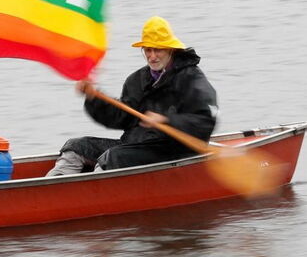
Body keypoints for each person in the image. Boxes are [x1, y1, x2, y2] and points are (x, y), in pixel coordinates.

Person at [46, 16, 218, 176]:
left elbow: (205, 121)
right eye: (148, 50)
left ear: (170, 49)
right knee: (77, 146)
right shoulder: (137, 80)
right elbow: (121, 118)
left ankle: (87, 195)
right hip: (134, 146)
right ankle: (52, 188)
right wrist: (94, 99)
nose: (152, 56)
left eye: (157, 50)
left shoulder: (191, 78)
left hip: (173, 150)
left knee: (114, 157)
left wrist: (166, 120)